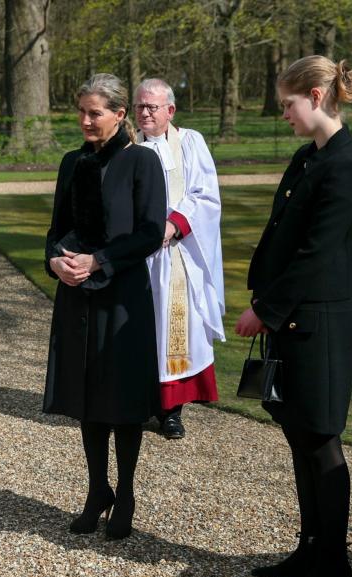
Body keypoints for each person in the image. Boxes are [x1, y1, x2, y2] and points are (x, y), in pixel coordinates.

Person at [235, 55, 352, 577]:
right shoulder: (307, 157)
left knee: (320, 443)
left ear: (315, 96)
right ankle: (311, 549)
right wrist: (263, 293)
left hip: (320, 323)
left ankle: (334, 569)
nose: (283, 114)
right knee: (298, 439)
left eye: (288, 104)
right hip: (291, 319)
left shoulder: (345, 164)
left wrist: (264, 310)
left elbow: (317, 255)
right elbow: (281, 235)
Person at [43, 73, 165, 540]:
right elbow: (55, 229)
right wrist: (56, 262)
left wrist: (100, 259)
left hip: (122, 296)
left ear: (119, 114)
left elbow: (150, 233)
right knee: (87, 397)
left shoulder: (141, 163)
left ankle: (127, 492)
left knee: (122, 400)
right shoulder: (71, 162)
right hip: (76, 292)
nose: (86, 120)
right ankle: (98, 490)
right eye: (82, 112)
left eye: (95, 113)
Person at [133, 78, 225, 440]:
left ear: (170, 110)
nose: (144, 113)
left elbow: (205, 194)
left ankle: (171, 410)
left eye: (152, 107)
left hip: (174, 253)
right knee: (138, 329)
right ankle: (139, 402)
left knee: (175, 330)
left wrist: (172, 226)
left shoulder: (190, 142)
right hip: (136, 257)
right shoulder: (127, 145)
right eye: (140, 106)